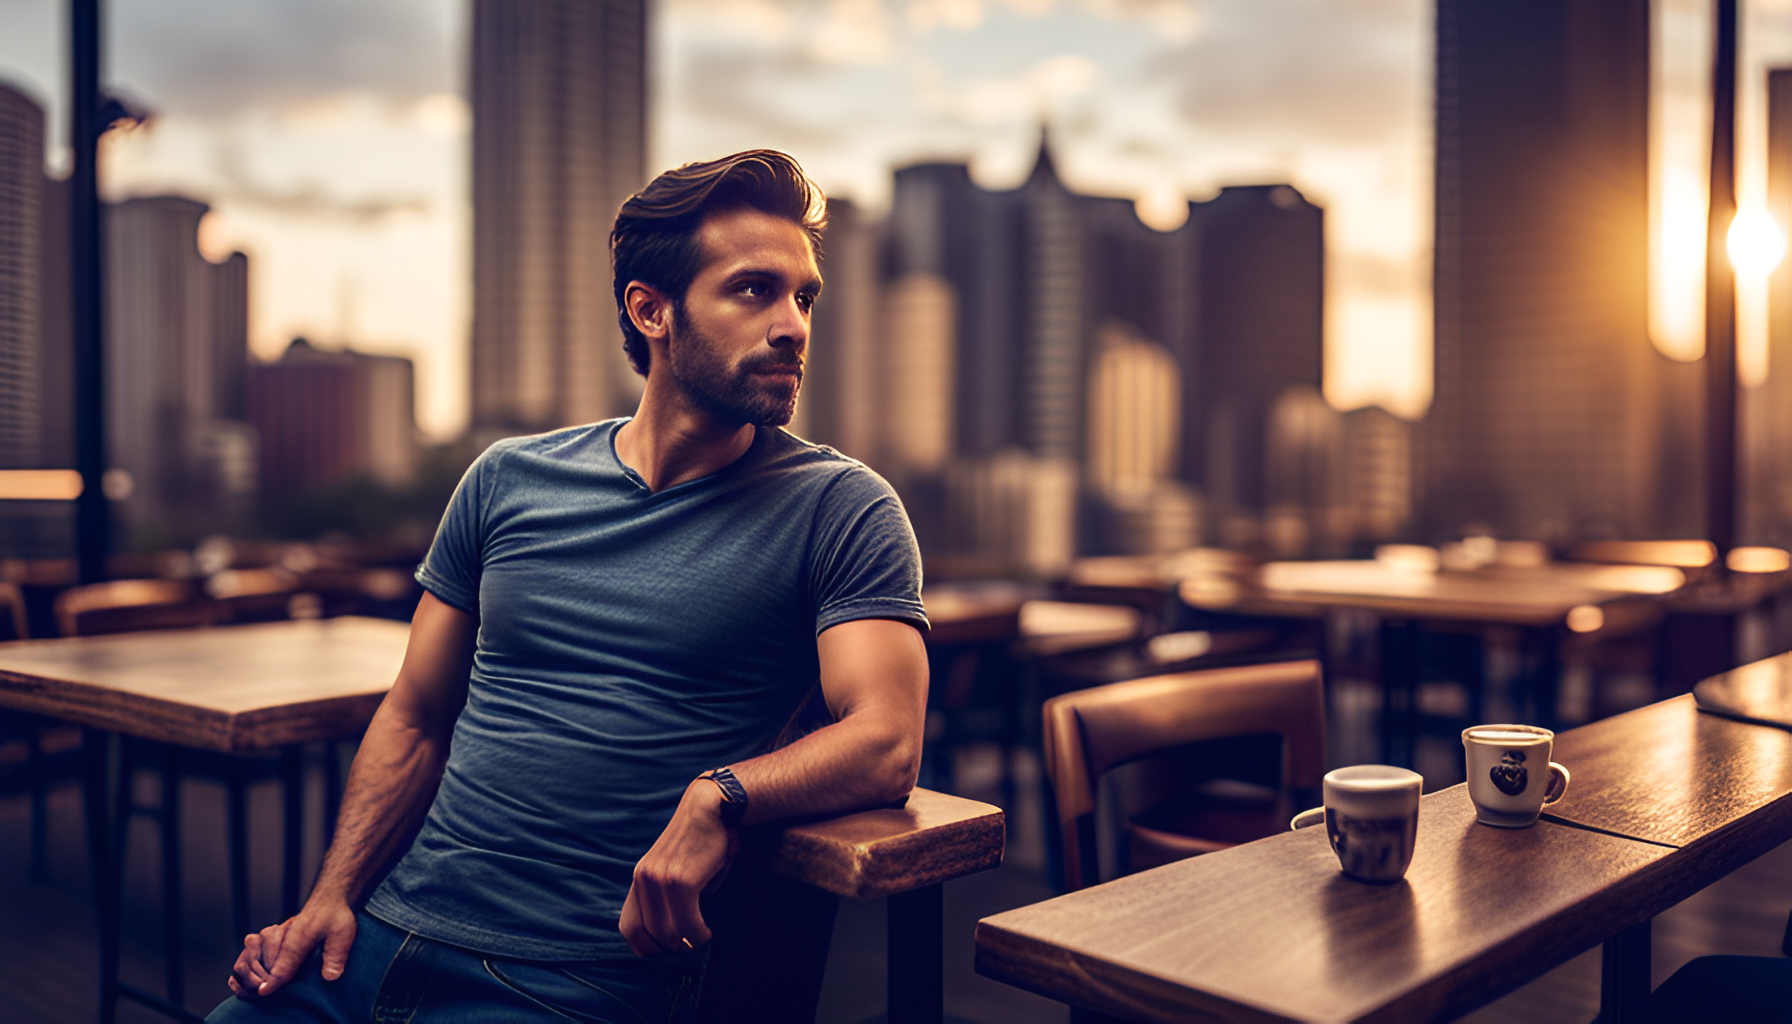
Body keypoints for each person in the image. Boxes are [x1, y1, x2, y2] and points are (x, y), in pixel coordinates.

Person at [207, 149, 929, 1022]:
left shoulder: (841, 508)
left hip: (582, 979)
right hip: (375, 939)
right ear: (650, 309)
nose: (793, 325)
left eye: (804, 297)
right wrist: (331, 898)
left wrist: (722, 795)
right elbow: (415, 715)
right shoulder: (506, 478)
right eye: (754, 291)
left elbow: (888, 739)